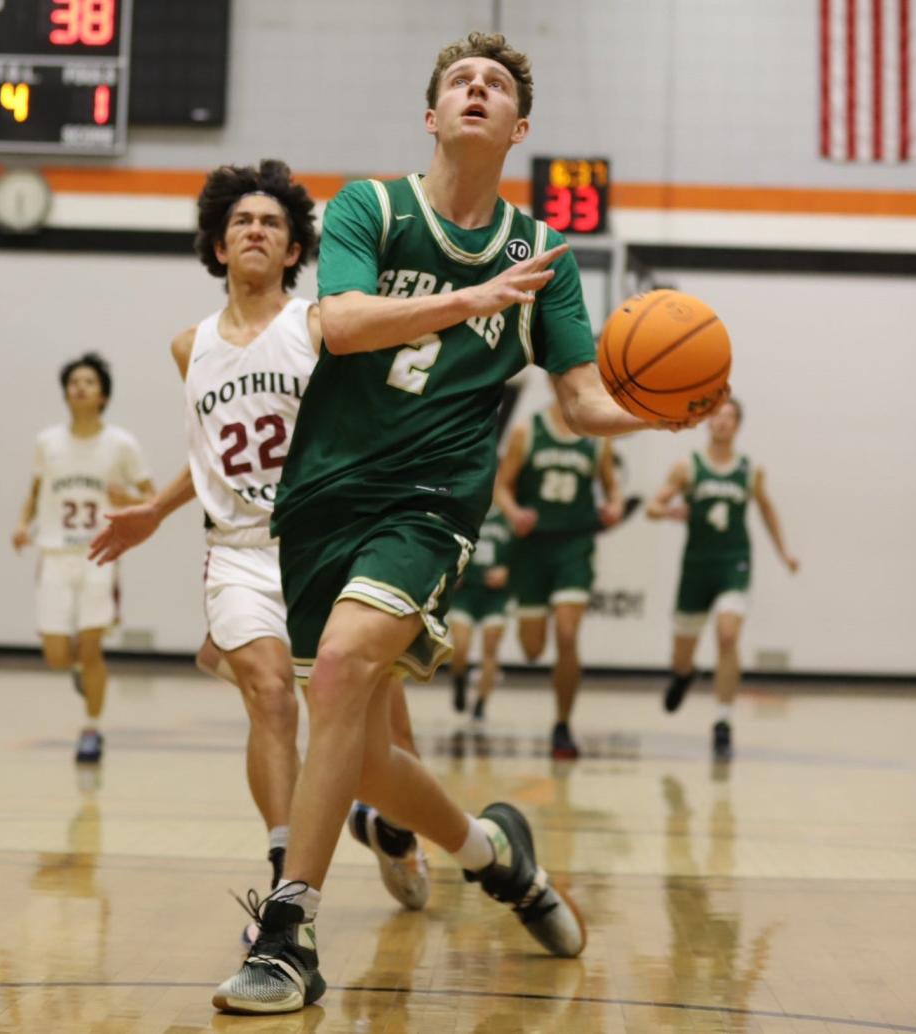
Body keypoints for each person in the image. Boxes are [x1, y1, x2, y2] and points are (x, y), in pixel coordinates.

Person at [212, 32, 709, 1015]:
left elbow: (577, 399)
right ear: (431, 115)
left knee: (350, 668)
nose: (476, 91)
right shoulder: (373, 206)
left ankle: (289, 930)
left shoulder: (540, 258)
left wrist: (656, 405)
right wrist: (474, 300)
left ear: (519, 129)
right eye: (460, 81)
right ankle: (495, 851)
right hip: (323, 495)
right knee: (359, 745)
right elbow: (342, 321)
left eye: (496, 87)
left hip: (432, 498)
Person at [87, 161, 429, 925]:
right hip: (240, 547)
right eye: (241, 221)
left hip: (330, 539)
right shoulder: (190, 347)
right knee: (269, 696)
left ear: (292, 250)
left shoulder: (318, 327)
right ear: (217, 246)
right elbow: (211, 453)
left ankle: (394, 831)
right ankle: (284, 874)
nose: (255, 230)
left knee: (382, 737)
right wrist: (155, 510)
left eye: (271, 223)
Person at [12, 352, 154, 764]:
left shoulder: (122, 444)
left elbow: (152, 498)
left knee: (91, 648)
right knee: (57, 655)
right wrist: (23, 525)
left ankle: (90, 730)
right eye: (74, 381)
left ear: (103, 395)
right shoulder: (47, 442)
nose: (80, 387)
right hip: (55, 554)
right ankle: (81, 674)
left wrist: (125, 498)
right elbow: (35, 493)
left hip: (99, 556)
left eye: (89, 382)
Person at [646, 398, 799, 757]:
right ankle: (684, 675)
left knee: (728, 635)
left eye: (729, 417)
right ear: (707, 423)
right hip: (697, 567)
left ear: (738, 425)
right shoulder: (688, 467)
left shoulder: (749, 470)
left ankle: (723, 719)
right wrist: (669, 512)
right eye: (717, 416)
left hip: (734, 563)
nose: (722, 422)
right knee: (682, 655)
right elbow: (652, 507)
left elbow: (767, 510)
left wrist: (784, 553)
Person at [495, 400, 624, 758]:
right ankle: (560, 719)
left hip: (574, 545)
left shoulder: (598, 439)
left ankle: (562, 726)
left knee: (567, 635)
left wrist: (615, 505)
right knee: (533, 650)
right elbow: (501, 486)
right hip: (532, 548)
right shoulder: (528, 430)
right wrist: (514, 512)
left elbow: (613, 488)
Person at [447, 504, 511, 720]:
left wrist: (508, 570)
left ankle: (481, 702)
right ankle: (459, 680)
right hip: (466, 592)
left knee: (490, 647)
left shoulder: (508, 513)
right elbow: (445, 541)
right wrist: (452, 569)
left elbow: (523, 550)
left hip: (495, 595)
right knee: (460, 646)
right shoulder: (465, 506)